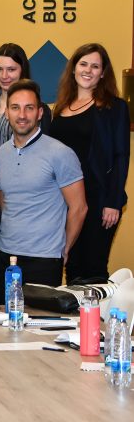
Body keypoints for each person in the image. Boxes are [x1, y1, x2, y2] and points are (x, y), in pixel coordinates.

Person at [0, 80, 87, 302]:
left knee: (41, 322)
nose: (22, 115)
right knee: (6, 319)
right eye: (15, 107)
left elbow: (79, 207)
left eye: (29, 108)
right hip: (6, 256)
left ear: (40, 113)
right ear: (7, 113)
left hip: (44, 258)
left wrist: (65, 248)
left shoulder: (60, 153)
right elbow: (4, 201)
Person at [49, 43, 130, 282]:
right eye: (83, 64)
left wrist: (113, 201)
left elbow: (121, 155)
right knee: (71, 267)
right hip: (64, 201)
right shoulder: (60, 108)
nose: (88, 70)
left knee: (94, 268)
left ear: (103, 73)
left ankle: (98, 309)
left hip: (99, 200)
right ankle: (76, 309)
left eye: (95, 66)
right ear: (73, 68)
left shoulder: (114, 107)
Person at [0, 43, 52, 300]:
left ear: (23, 70)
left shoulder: (38, 110)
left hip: (26, 208)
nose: (4, 75)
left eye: (11, 69)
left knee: (30, 283)